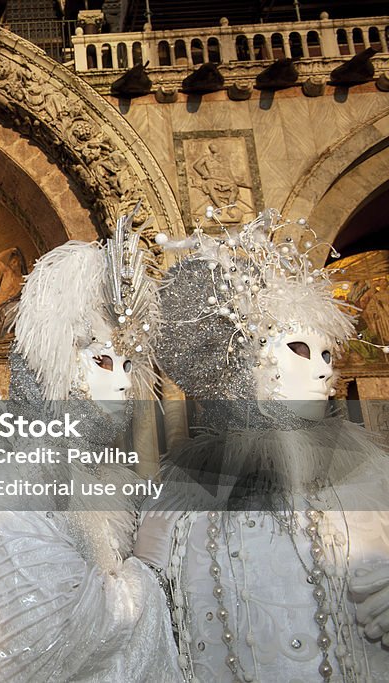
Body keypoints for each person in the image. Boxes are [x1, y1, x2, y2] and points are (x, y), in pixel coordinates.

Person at [0, 213, 182, 681]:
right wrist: (147, 575)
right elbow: (45, 635)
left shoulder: (101, 478)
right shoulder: (3, 476)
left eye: (130, 362)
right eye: (103, 360)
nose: (123, 380)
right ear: (49, 360)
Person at [135, 209, 389, 682]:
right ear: (247, 363)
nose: (324, 371)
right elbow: (146, 627)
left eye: (328, 355)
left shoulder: (370, 481)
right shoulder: (179, 504)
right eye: (300, 350)